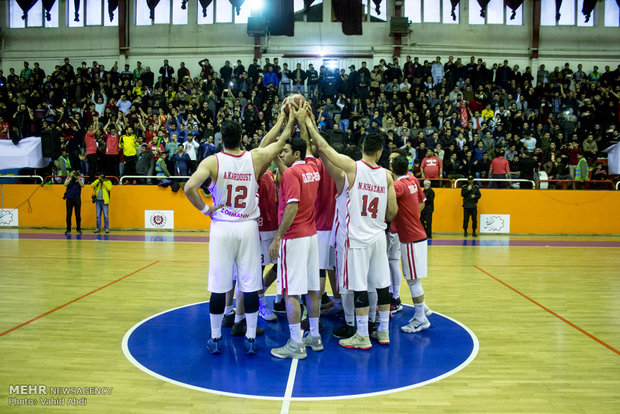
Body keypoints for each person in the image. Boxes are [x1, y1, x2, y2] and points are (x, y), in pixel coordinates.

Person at [184, 113, 295, 356]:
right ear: (242, 138)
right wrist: (287, 122)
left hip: (222, 226)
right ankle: (252, 338)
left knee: (219, 286)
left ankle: (215, 338)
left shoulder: (212, 161)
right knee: (251, 283)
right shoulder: (254, 157)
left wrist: (205, 209)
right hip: (247, 227)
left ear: (221, 139)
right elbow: (279, 141)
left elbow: (189, 187)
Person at [306, 110, 398, 350]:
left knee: (358, 287)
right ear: (380, 152)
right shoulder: (387, 176)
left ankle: (362, 335)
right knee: (381, 285)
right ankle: (384, 332)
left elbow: (326, 150)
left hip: (356, 237)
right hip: (379, 236)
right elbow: (392, 213)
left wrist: (309, 124)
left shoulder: (353, 168)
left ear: (363, 146)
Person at [268, 135, 322, 360]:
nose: (281, 154)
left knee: (290, 291)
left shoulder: (291, 174)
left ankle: (296, 344)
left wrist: (278, 236)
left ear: (297, 154)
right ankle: (315, 337)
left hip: (293, 236)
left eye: (286, 151)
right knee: (311, 288)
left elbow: (291, 207)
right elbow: (292, 171)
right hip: (311, 236)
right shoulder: (312, 167)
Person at [389, 155, 432, 334]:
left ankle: (421, 318)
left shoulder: (398, 186)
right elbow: (421, 203)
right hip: (417, 234)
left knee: (413, 281)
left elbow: (389, 208)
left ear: (392, 170)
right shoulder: (413, 179)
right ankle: (423, 311)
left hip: (411, 238)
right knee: (414, 279)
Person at [64, 170, 84, 235]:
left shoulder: (80, 178)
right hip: (69, 198)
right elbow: (65, 184)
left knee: (78, 215)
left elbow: (82, 185)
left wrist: (78, 178)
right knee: (68, 214)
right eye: (72, 172)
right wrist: (70, 177)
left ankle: (78, 229)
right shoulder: (68, 178)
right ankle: (68, 229)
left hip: (77, 198)